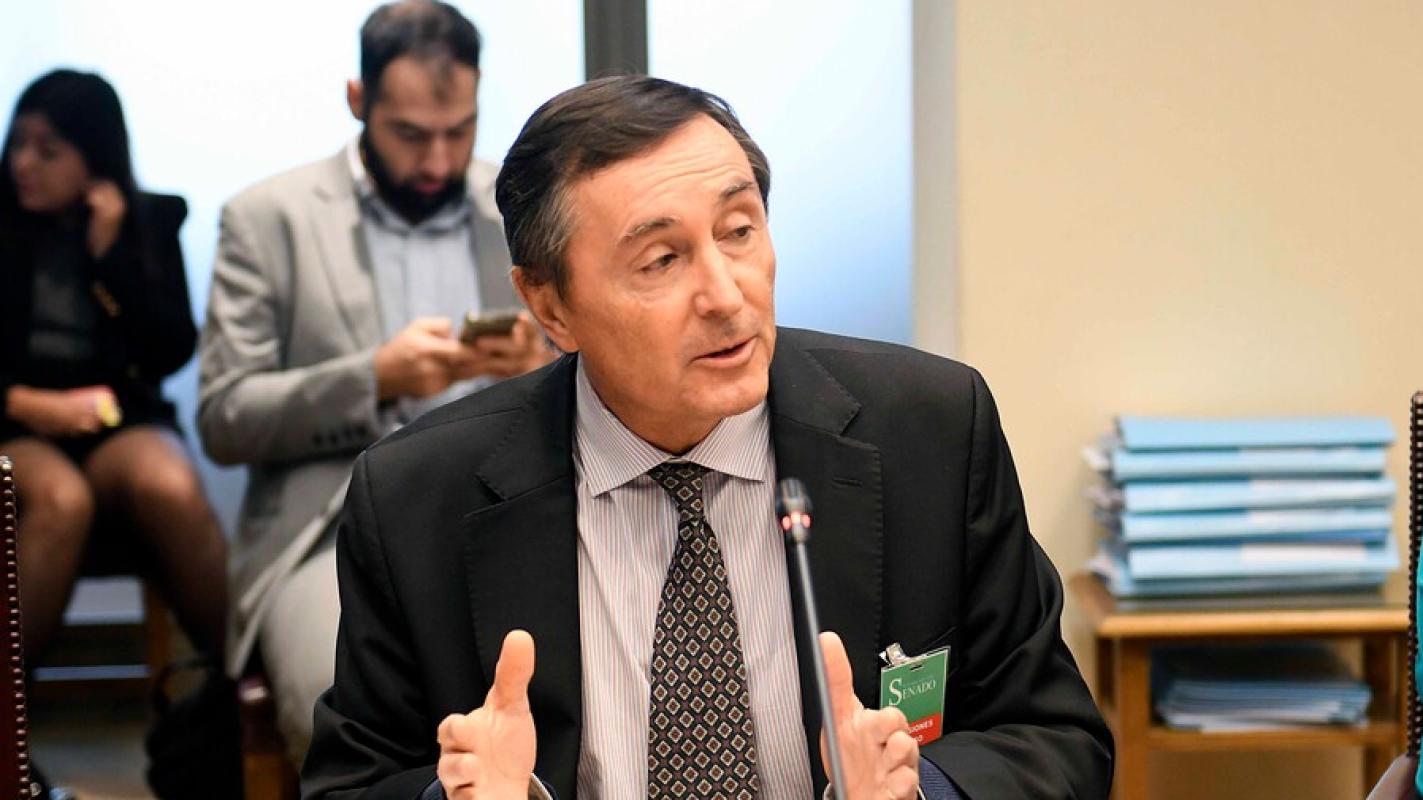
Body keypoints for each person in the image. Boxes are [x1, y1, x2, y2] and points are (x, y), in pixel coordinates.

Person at [303, 75, 1114, 799]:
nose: (726, 295)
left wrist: (918, 791)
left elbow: (1054, 736)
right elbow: (352, 781)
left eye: (738, 230)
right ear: (550, 307)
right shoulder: (416, 498)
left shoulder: (929, 432)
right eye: (661, 260)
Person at [198, 0, 553, 763]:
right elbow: (224, 416)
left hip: (514, 505)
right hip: (332, 529)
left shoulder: (522, 208)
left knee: (567, 694)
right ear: (358, 100)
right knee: (345, 719)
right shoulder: (269, 218)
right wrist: (373, 378)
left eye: (459, 131)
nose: (437, 162)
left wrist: (542, 370)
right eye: (411, 135)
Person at [0, 69, 230, 794]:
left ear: (94, 159)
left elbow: (168, 351)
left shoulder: (147, 220)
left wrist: (109, 259)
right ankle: (6, 728)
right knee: (59, 500)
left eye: (49, 151)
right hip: (14, 421)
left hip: (114, 422)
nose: (25, 164)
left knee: (167, 482)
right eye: (19, 144)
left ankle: (247, 689)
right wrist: (32, 405)